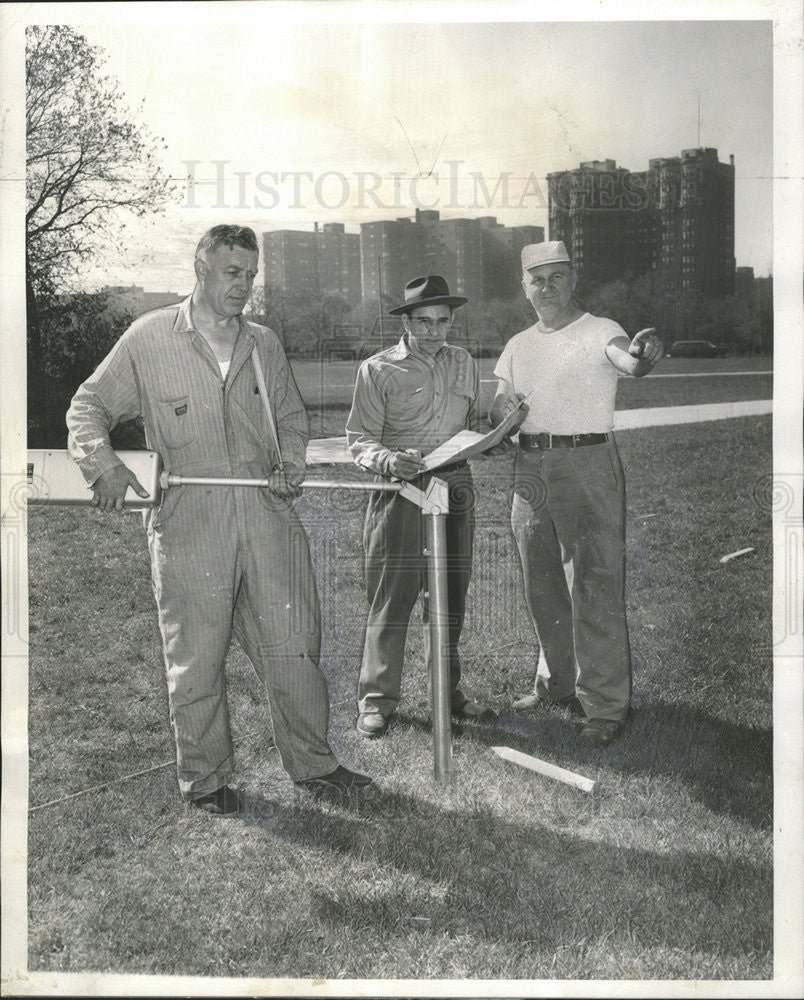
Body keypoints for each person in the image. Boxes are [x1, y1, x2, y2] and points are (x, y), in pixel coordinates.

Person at [66, 224, 370, 814]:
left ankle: (314, 764)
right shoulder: (149, 337)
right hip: (189, 521)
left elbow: (290, 417)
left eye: (252, 276)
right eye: (233, 273)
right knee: (196, 654)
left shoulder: (264, 343)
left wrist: (291, 463)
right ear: (201, 271)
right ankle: (206, 781)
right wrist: (99, 462)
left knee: (293, 644)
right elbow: (89, 405)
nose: (245, 287)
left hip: (267, 514)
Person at [489, 241, 663, 748]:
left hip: (588, 463)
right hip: (531, 466)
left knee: (595, 584)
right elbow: (499, 404)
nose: (547, 287)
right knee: (540, 582)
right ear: (524, 286)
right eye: (537, 279)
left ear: (572, 279)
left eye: (557, 277)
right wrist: (506, 414)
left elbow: (628, 361)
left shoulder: (600, 329)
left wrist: (642, 357)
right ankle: (557, 684)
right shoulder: (518, 343)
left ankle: (605, 705)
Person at [345, 275, 496, 738]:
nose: (434, 331)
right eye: (424, 322)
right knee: (392, 597)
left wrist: (494, 434)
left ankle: (446, 694)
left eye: (443, 321)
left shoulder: (464, 362)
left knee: (450, 596)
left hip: (455, 488)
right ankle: (376, 700)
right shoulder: (378, 369)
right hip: (401, 491)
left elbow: (470, 425)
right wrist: (390, 459)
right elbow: (359, 439)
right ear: (406, 322)